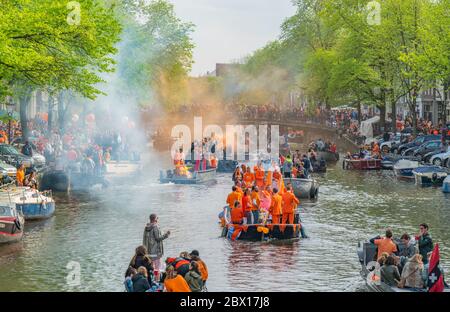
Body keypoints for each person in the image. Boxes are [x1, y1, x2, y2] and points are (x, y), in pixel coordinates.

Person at [143, 214, 170, 280]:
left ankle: (151, 281)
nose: (157, 219)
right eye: (157, 218)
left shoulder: (146, 227)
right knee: (157, 268)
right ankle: (156, 282)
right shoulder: (155, 227)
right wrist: (167, 234)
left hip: (148, 252)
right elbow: (158, 238)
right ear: (155, 219)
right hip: (155, 252)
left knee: (151, 268)